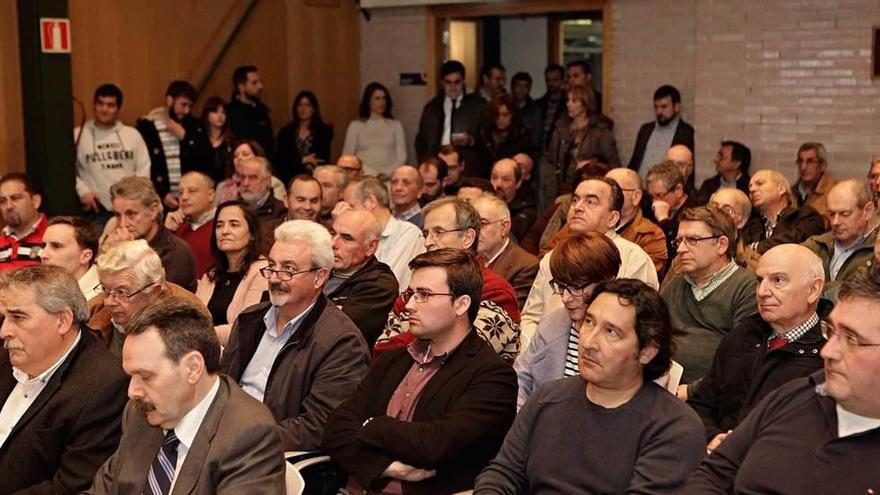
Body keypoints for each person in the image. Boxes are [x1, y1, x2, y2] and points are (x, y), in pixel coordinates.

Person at [475, 279, 705, 493]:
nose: (589, 342)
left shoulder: (674, 427)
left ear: (646, 351)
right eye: (589, 322)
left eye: (611, 332)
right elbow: (503, 473)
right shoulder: (548, 398)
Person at [323, 249, 517, 495]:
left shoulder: (492, 377)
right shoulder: (394, 360)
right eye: (411, 294)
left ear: (461, 304)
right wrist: (389, 468)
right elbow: (335, 429)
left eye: (424, 295)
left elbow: (435, 444)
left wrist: (372, 425)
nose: (409, 305)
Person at [684, 268, 880, 493]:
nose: (828, 351)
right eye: (831, 331)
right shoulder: (794, 396)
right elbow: (714, 473)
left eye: (852, 339)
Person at [86, 297, 285, 494]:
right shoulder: (140, 413)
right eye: (131, 376)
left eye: (145, 376)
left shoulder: (249, 436)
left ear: (193, 368)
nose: (132, 392)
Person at [220, 220, 370, 451]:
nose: (274, 278)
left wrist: (244, 440)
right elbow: (221, 387)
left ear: (320, 277)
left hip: (270, 454)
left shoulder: (342, 342)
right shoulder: (249, 320)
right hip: (223, 438)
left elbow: (318, 427)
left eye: (288, 269)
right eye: (272, 266)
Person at [0, 265, 128, 495]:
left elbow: (71, 488)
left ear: (63, 321)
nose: (4, 331)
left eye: (18, 317)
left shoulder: (105, 387)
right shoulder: (8, 355)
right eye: (3, 317)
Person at [687, 243, 826, 452]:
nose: (762, 292)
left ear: (813, 289)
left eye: (777, 280)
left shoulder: (829, 356)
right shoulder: (742, 335)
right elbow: (702, 404)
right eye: (759, 280)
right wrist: (712, 436)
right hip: (716, 462)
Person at [375, 197, 522, 361]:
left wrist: (420, 337)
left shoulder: (495, 292)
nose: (428, 242)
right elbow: (381, 351)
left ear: (467, 238)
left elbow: (461, 355)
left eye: (439, 232)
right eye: (426, 234)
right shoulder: (416, 287)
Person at [519, 177, 659, 349]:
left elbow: (639, 327)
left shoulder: (635, 259)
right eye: (575, 200)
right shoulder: (553, 257)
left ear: (612, 218)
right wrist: (536, 352)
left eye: (591, 201)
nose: (577, 207)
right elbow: (530, 317)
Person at [514, 232, 619, 408]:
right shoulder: (552, 325)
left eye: (576, 287)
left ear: (606, 282)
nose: (565, 298)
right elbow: (521, 380)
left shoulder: (627, 333)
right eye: (562, 287)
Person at [660, 205, 758, 393]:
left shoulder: (746, 287)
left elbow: (741, 359)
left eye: (692, 240)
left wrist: (692, 391)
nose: (681, 249)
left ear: (721, 244)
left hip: (714, 398)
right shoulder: (676, 284)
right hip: (665, 388)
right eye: (679, 241)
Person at [89, 240, 206, 355]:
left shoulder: (188, 321)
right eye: (105, 290)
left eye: (121, 292)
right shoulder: (94, 310)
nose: (109, 302)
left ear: (153, 292)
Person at [75, 83, 150, 225]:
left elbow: (144, 168)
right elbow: (67, 170)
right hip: (96, 211)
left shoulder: (132, 135)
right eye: (100, 103)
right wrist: (82, 191)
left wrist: (137, 198)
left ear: (118, 108)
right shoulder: (78, 134)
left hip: (130, 209)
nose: (104, 109)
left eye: (110, 105)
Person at [106, 176, 198, 291]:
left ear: (153, 210)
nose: (123, 224)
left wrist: (123, 257)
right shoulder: (116, 243)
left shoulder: (176, 252)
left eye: (131, 214)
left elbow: (146, 299)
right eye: (118, 215)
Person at [195, 201, 266, 346]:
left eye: (234, 224)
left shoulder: (262, 272)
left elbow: (245, 328)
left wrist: (197, 334)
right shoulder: (211, 274)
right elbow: (193, 316)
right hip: (203, 349)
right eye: (219, 225)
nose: (225, 231)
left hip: (236, 357)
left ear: (252, 234)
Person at [326, 209, 399, 346]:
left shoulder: (380, 285)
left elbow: (336, 333)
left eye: (347, 238)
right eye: (332, 233)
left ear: (371, 247)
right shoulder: (317, 266)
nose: (333, 244)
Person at [337, 176, 425, 289]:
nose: (347, 214)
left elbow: (382, 284)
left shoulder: (407, 233)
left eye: (351, 207)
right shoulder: (364, 236)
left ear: (370, 202)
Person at [136, 80, 212, 210]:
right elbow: (145, 164)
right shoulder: (148, 127)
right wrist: (162, 193)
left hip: (191, 200)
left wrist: (185, 137)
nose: (187, 111)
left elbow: (207, 160)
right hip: (160, 199)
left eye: (190, 106)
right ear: (169, 100)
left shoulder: (195, 127)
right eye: (183, 105)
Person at [542, 85, 620, 205]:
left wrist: (592, 165)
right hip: (563, 188)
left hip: (590, 187)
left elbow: (615, 165)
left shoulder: (599, 131)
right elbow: (551, 160)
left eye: (574, 101)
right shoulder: (560, 128)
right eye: (567, 100)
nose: (569, 104)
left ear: (585, 103)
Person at [802, 180, 877, 299]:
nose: (835, 222)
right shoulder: (816, 245)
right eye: (831, 214)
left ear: (867, 211)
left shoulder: (876, 251)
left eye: (845, 214)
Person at [415, 60, 487, 170]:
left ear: (463, 81)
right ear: (442, 83)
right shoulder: (432, 108)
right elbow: (421, 140)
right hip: (436, 163)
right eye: (448, 82)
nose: (453, 87)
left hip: (466, 164)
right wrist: (424, 162)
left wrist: (471, 140)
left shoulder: (477, 106)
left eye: (457, 82)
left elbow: (487, 138)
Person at [471, 194, 539, 308]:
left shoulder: (526, 265)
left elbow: (508, 315)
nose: (475, 231)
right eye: (471, 224)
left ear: (504, 227)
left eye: (482, 224)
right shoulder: (467, 258)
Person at [743, 169, 825, 254]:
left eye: (760, 183)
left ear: (781, 188)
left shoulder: (806, 216)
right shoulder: (750, 225)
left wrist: (756, 247)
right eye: (750, 187)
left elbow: (795, 242)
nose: (752, 189)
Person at [606, 167, 668, 273]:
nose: (605, 195)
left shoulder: (651, 236)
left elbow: (638, 283)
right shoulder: (584, 224)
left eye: (614, 190)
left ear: (636, 197)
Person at [628, 85, 695, 177]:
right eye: (656, 107)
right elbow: (634, 162)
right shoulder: (645, 129)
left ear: (676, 107)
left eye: (664, 107)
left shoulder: (686, 132)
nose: (659, 112)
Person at [342, 82, 407, 178]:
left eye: (384, 98)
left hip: (389, 177)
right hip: (363, 176)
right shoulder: (355, 126)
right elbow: (347, 156)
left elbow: (402, 157)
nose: (381, 102)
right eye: (377, 98)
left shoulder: (396, 125)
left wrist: (386, 173)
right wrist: (370, 173)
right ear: (368, 101)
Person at [164, 171, 217, 278]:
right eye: (180, 192)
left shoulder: (222, 225)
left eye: (192, 191)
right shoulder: (175, 227)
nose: (184, 197)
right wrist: (166, 232)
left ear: (210, 195)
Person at [646, 161, 697, 273]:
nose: (655, 202)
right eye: (651, 197)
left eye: (659, 195)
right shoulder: (649, 209)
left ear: (678, 190)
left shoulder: (695, 210)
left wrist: (664, 220)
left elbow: (678, 247)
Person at [274, 90, 334, 183]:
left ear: (314, 109)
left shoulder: (323, 131)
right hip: (289, 178)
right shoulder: (285, 132)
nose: (303, 109)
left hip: (316, 177)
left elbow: (321, 158)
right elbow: (281, 160)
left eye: (307, 105)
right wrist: (302, 160)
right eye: (300, 105)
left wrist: (297, 162)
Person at [40, 215, 101, 301]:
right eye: (43, 246)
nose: (43, 255)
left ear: (85, 256)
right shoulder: (41, 288)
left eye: (56, 246)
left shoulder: (103, 299)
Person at [475, 93, 530, 178]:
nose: (501, 119)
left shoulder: (521, 134)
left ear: (513, 115)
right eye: (497, 115)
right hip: (486, 179)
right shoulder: (484, 132)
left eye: (505, 115)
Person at [0, 173, 47, 271]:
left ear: (35, 201)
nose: (9, 206)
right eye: (2, 201)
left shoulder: (53, 238)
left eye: (15, 198)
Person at [215, 139, 286, 204]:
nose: (239, 158)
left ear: (258, 157)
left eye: (245, 154)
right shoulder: (222, 186)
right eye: (235, 156)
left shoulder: (274, 183)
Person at [226, 65, 274, 153]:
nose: (260, 86)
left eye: (259, 82)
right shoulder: (230, 112)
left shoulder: (262, 111)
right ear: (241, 87)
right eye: (254, 83)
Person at [490, 158, 536, 240]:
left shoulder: (526, 210)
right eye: (494, 177)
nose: (498, 184)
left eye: (506, 179)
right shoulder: (483, 203)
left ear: (518, 183)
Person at [695, 140, 752, 205]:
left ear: (736, 163)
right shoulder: (709, 185)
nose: (716, 160)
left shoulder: (750, 188)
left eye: (721, 157)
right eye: (718, 156)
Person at [793, 141, 837, 221]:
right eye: (800, 161)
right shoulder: (791, 193)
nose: (803, 167)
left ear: (823, 165)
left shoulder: (834, 192)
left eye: (810, 162)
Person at [200, 96, 234, 183]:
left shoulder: (230, 141)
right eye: (215, 111)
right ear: (207, 114)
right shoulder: (199, 139)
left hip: (224, 187)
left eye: (223, 112)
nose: (220, 116)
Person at [510, 71, 543, 157]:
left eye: (525, 86)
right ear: (513, 87)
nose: (521, 90)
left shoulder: (535, 111)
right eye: (519, 85)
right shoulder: (506, 107)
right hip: (506, 155)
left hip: (528, 156)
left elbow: (535, 140)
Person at [535, 63, 566, 148]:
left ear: (562, 81)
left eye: (555, 80)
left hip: (559, 150)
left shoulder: (568, 104)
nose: (550, 83)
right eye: (548, 80)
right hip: (540, 151)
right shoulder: (538, 104)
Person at [390, 165, 425, 229]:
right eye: (394, 182)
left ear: (420, 190)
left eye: (406, 183)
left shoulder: (426, 222)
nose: (398, 188)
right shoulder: (384, 217)